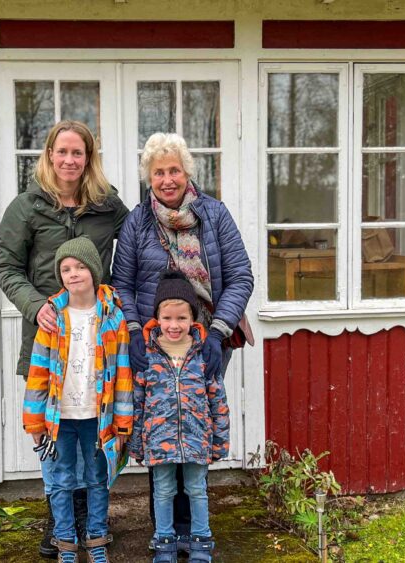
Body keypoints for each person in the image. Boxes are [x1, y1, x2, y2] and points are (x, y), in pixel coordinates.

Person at [112, 132, 253, 548]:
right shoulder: (138, 221)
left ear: (187, 172)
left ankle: (194, 528)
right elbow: (122, 284)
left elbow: (241, 276)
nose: (167, 179)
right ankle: (165, 532)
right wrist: (134, 331)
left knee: (194, 423)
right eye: (159, 172)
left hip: (207, 340)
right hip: (156, 345)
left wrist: (219, 331)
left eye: (174, 170)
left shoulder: (214, 214)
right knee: (160, 427)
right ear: (149, 177)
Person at [0, 120, 129, 558]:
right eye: (62, 151)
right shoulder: (26, 208)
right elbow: (7, 267)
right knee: (56, 435)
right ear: (50, 155)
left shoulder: (108, 206)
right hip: (49, 340)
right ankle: (60, 526)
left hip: (97, 342)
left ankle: (91, 524)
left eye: (78, 153)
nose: (69, 160)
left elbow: (139, 246)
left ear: (88, 159)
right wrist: (35, 306)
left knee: (93, 438)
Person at [22, 237, 134, 563]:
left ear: (94, 271)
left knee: (97, 479)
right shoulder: (52, 318)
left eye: (80, 267)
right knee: (61, 481)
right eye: (66, 269)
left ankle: (96, 540)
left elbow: (122, 372)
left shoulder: (113, 318)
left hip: (98, 418)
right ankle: (66, 543)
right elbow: (38, 372)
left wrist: (123, 422)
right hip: (59, 418)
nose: (73, 274)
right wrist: (34, 422)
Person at [129, 270, 229, 563]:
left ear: (193, 319)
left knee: (197, 489)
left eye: (182, 318)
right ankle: (164, 541)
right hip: (159, 442)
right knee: (163, 490)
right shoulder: (147, 355)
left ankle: (200, 541)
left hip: (197, 439)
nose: (174, 325)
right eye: (167, 318)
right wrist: (136, 443)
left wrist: (220, 440)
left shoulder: (203, 354)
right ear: (157, 318)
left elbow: (218, 400)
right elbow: (138, 402)